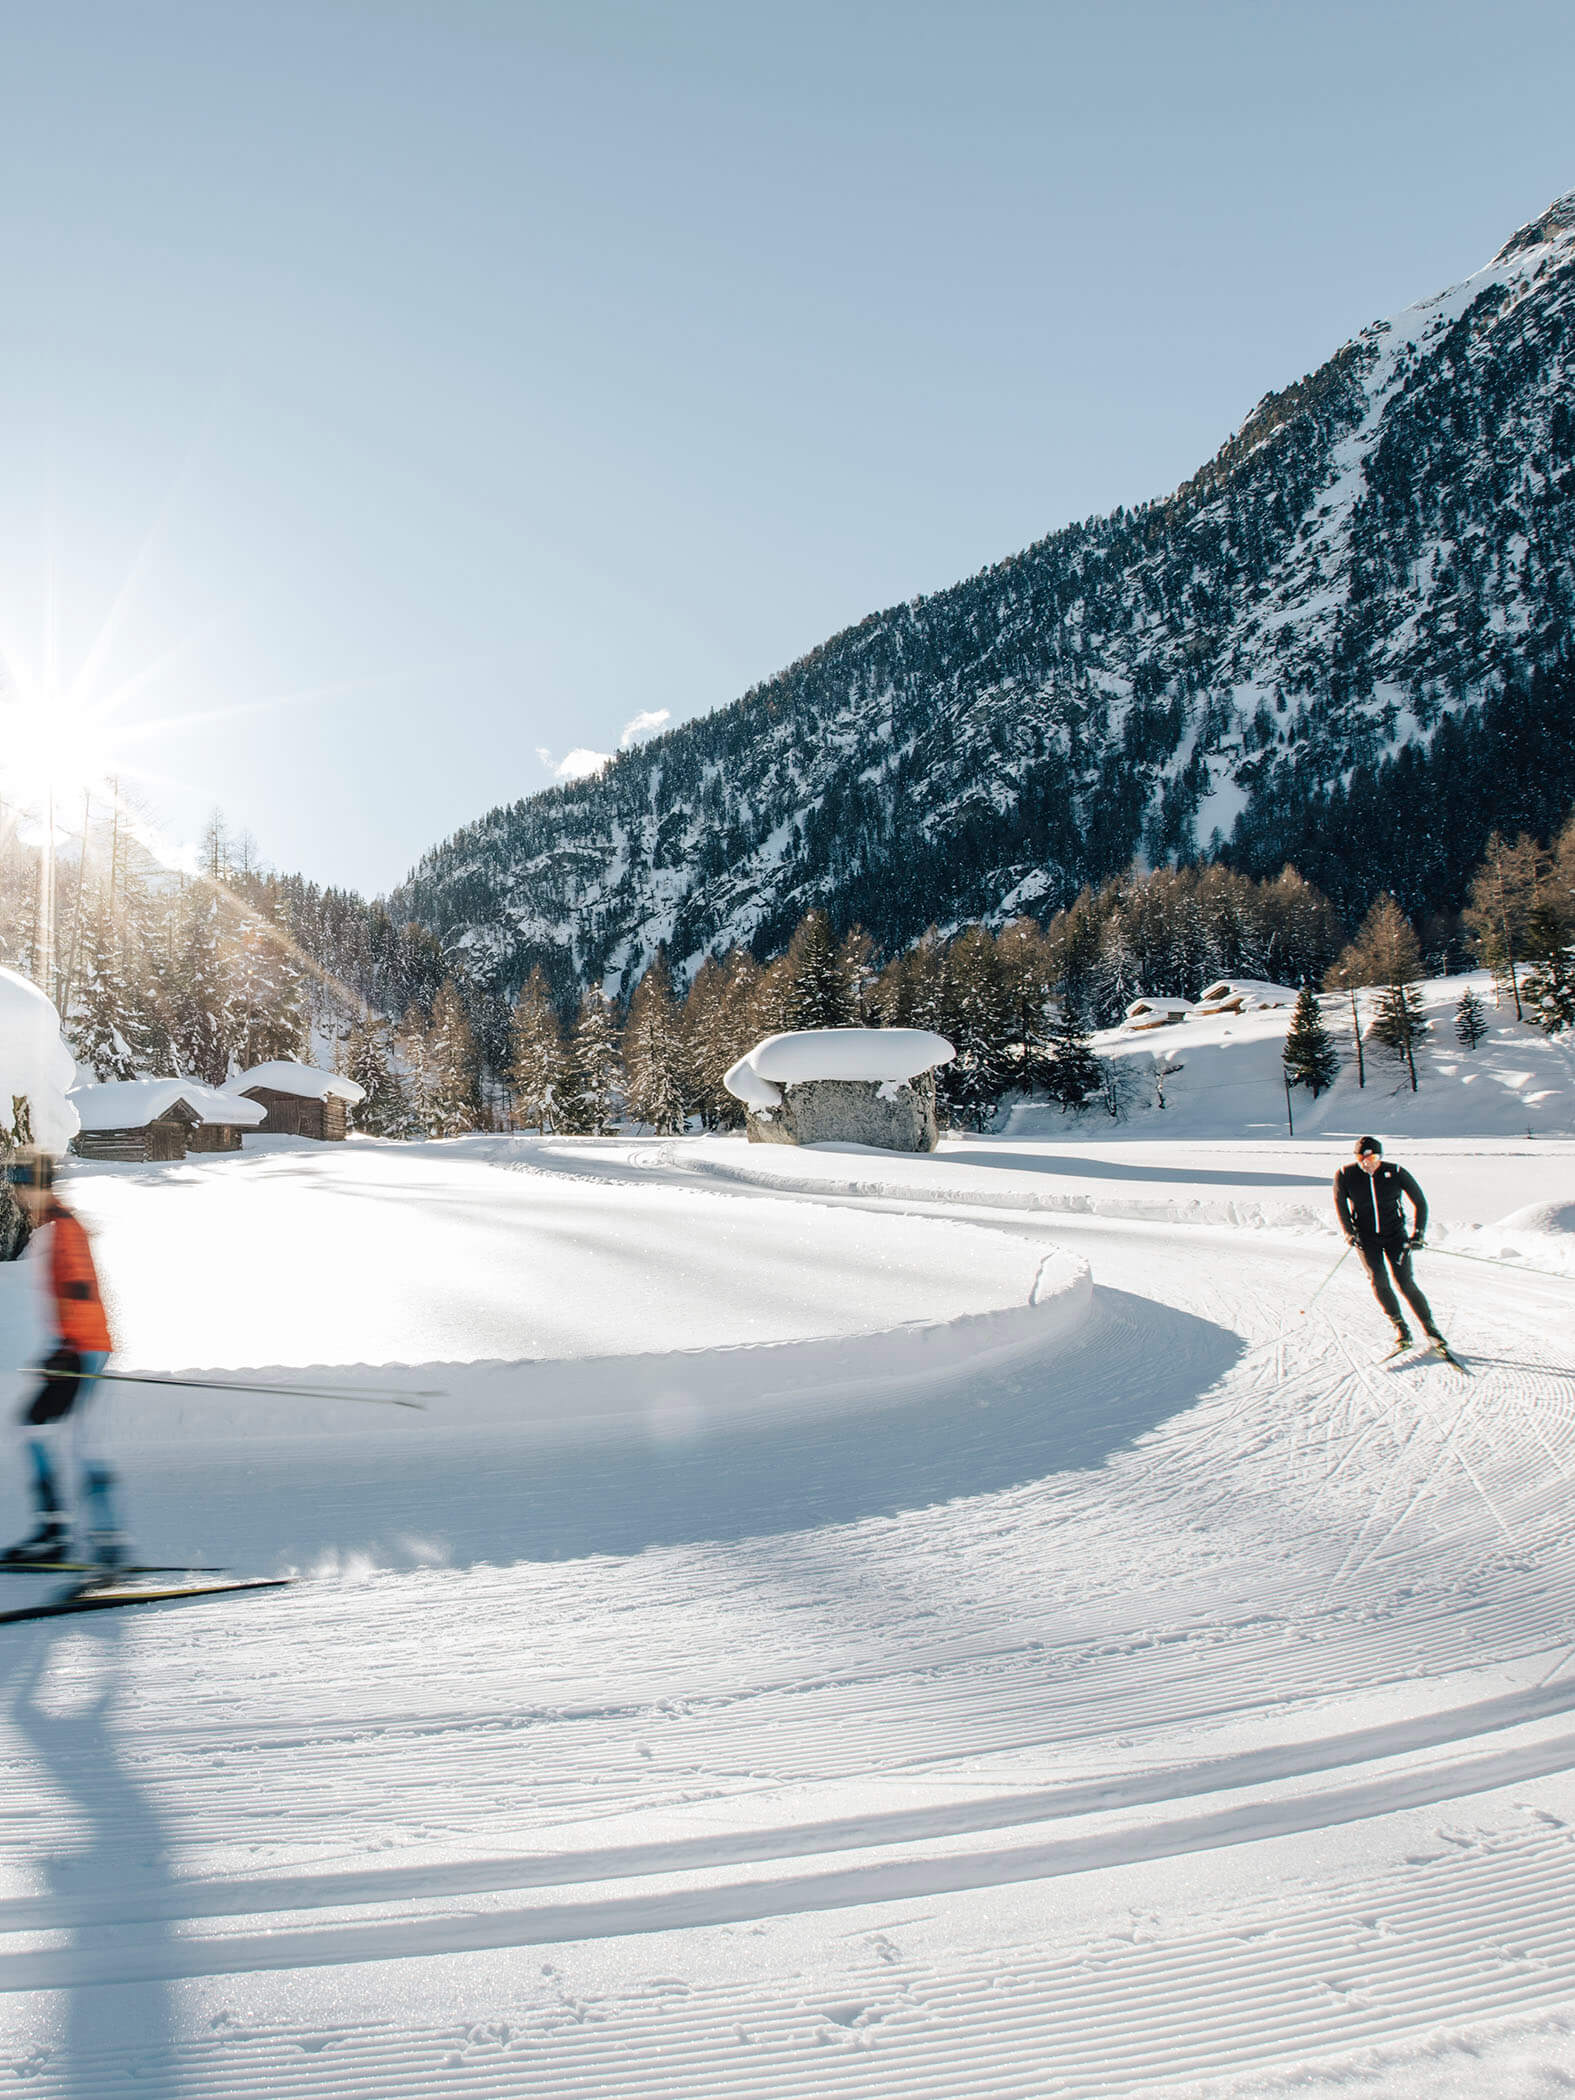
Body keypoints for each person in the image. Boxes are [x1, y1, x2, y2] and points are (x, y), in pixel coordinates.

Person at [2, 1151, 128, 1570]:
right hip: (77, 1346)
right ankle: (53, 1532)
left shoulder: (64, 1229)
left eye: (24, 1186)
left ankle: (106, 1546)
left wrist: (68, 1349)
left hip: (85, 1348)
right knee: (34, 1426)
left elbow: (78, 1290)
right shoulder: (56, 1225)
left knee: (81, 1441)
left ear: (40, 1187)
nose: (20, 1195)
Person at [1332, 1135, 1446, 1353]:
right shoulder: (1346, 1174)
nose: (1367, 1162)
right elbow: (1340, 1205)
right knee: (1379, 1279)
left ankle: (1430, 1328)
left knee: (1405, 1282)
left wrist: (1418, 1233)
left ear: (1380, 1156)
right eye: (1362, 1157)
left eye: (1372, 1157)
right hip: (1366, 1239)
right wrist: (1349, 1232)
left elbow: (1420, 1202)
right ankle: (1401, 1327)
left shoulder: (1395, 1172)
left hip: (1396, 1236)